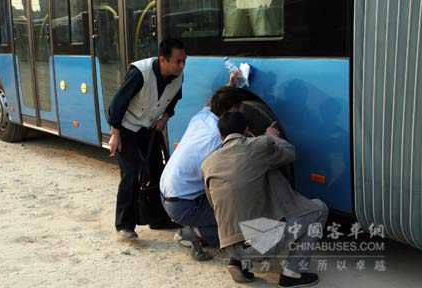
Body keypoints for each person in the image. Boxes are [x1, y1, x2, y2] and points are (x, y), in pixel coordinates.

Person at [201, 111, 328, 287]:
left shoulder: (207, 163)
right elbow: (290, 153)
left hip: (229, 243)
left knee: (240, 198)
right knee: (320, 208)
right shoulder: (259, 145)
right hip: (258, 244)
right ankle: (292, 274)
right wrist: (273, 137)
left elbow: (213, 203)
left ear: (221, 136)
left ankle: (238, 262)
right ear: (246, 131)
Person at [108, 38, 186, 241]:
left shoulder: (178, 76)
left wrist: (165, 118)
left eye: (183, 61)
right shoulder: (139, 73)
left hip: (150, 128)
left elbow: (174, 100)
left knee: (158, 171)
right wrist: (115, 135)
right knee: (131, 173)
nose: (182, 65)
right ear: (162, 60)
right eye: (178, 61)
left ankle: (158, 218)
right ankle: (125, 225)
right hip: (126, 128)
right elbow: (117, 105)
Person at [160, 85, 245, 261]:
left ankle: (199, 226)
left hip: (166, 193)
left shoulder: (203, 116)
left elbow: (211, 102)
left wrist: (230, 85)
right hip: (182, 205)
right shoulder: (219, 138)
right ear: (233, 111)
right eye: (241, 112)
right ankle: (191, 233)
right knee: (238, 217)